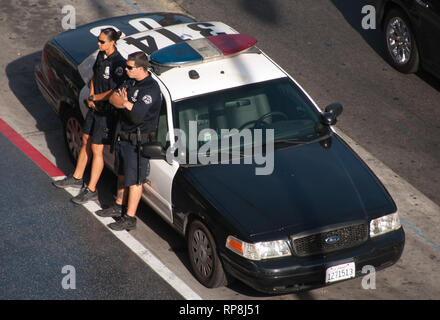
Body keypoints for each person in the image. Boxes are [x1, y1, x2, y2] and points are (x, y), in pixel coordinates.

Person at [53, 28, 126, 205]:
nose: (99, 44)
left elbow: (114, 91)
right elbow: (94, 76)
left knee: (96, 148)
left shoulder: (118, 63)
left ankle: (91, 188)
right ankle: (77, 176)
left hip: (106, 113)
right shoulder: (101, 56)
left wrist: (96, 98)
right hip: (94, 108)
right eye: (98, 41)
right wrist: (91, 95)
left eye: (102, 42)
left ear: (112, 42)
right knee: (85, 139)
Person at [96, 51, 162, 231]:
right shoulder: (130, 80)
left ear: (141, 68)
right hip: (123, 138)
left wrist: (125, 104)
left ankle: (130, 217)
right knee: (122, 175)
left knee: (135, 181)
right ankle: (119, 205)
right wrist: (124, 103)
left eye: (129, 67)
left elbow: (137, 115)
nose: (125, 69)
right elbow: (113, 98)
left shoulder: (151, 89)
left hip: (137, 144)